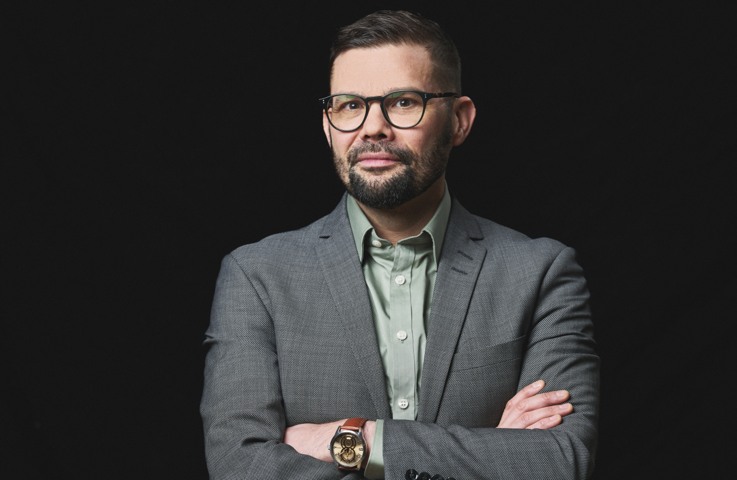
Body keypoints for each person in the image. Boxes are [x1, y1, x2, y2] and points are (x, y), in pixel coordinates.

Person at [200, 9, 599, 480]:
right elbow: (238, 465)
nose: (372, 128)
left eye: (404, 102)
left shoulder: (541, 272)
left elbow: (559, 461)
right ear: (328, 125)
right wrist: (490, 451)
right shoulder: (257, 277)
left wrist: (358, 441)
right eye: (350, 105)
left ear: (459, 121)